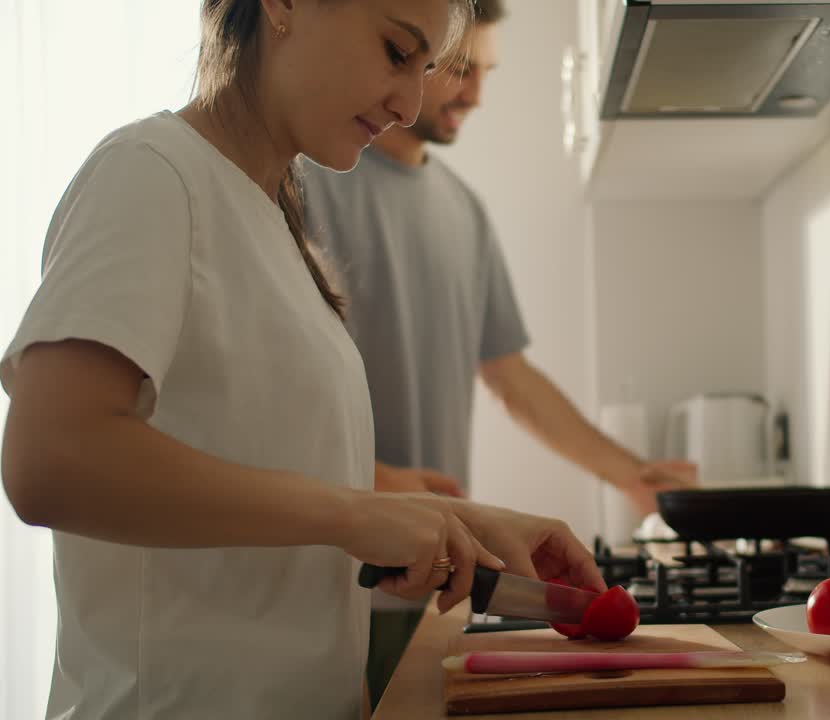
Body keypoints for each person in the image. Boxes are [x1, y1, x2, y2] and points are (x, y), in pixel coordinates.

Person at [0, 1, 604, 718]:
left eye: (426, 69)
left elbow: (274, 487)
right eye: (394, 51)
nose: (410, 104)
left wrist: (460, 522)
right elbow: (51, 461)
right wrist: (350, 513)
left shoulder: (275, 222)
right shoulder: (150, 173)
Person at [300, 0, 696, 704]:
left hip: (432, 583)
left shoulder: (464, 210)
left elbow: (510, 377)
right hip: (325, 578)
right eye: (458, 69)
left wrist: (633, 475)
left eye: (485, 71)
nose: (475, 94)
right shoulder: (306, 181)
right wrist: (382, 482)